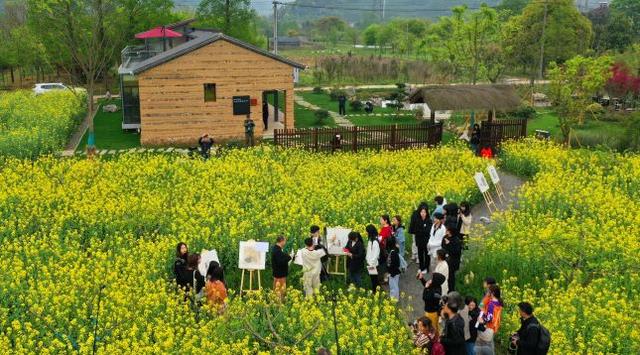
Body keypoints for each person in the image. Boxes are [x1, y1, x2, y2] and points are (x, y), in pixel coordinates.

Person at [476, 285, 503, 355]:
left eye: (488, 291)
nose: (487, 292)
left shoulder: (491, 304)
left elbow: (489, 317)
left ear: (493, 293)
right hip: (492, 329)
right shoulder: (499, 302)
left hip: (487, 329)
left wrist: (482, 320)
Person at [411, 205, 431, 273]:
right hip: (419, 241)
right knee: (420, 255)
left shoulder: (429, 220)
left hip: (426, 241)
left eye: (424, 212)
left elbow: (428, 231)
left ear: (426, 213)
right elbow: (416, 231)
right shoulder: (417, 220)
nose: (423, 213)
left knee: (427, 255)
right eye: (421, 212)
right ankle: (421, 267)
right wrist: (422, 230)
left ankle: (426, 268)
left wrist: (421, 230)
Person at [442, 226, 462, 292]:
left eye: (447, 230)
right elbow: (443, 246)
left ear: (450, 231)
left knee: (451, 277)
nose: (446, 231)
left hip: (453, 261)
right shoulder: (445, 237)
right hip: (446, 259)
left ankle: (451, 290)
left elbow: (456, 252)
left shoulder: (456, 240)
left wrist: (449, 244)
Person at [271, 235, 292, 299]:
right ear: (282, 241)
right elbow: (280, 262)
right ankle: (279, 303)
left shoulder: (277, 249)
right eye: (285, 241)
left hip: (278, 273)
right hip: (280, 274)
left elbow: (281, 257)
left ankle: (278, 301)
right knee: (280, 290)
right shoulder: (277, 250)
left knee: (277, 290)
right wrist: (289, 257)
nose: (285, 242)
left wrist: (286, 256)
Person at [365, 225, 381, 294]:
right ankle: (376, 291)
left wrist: (371, 264)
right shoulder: (370, 240)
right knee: (373, 278)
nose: (366, 233)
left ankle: (376, 292)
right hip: (370, 263)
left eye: (367, 231)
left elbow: (376, 254)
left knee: (374, 279)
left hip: (373, 264)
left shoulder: (375, 242)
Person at [386, 236, 401, 300]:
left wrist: (391, 273)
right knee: (394, 285)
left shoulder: (393, 253)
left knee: (393, 286)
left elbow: (395, 264)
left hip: (393, 272)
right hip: (394, 272)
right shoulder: (394, 250)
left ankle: (394, 299)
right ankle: (394, 298)